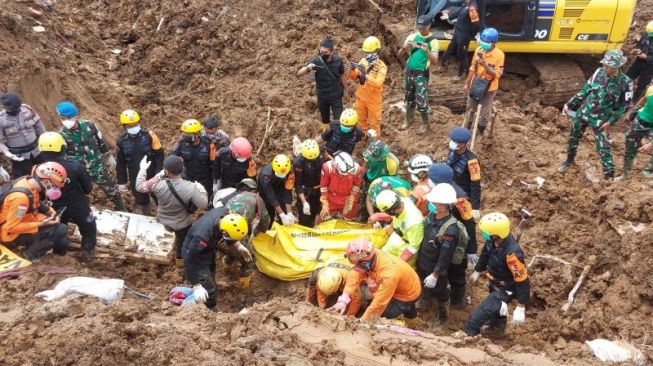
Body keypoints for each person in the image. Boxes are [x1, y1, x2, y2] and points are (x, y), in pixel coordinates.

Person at [559, 50, 633, 180]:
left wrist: (611, 121)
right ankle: (569, 161)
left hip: (601, 119)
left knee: (604, 148)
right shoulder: (598, 72)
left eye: (607, 65)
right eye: (604, 64)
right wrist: (569, 104)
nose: (604, 67)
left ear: (616, 67)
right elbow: (584, 91)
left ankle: (609, 177)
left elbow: (624, 106)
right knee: (573, 138)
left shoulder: (626, 83)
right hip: (584, 113)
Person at [463, 212, 530, 336]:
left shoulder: (512, 254)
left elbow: (522, 280)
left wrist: (521, 306)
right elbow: (485, 254)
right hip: (494, 281)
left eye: (487, 233)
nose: (484, 235)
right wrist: (478, 270)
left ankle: (467, 333)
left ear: (496, 234)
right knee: (497, 309)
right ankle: (496, 329)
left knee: (483, 311)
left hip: (506, 288)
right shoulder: (492, 241)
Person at [136, 155, 209, 268]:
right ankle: (180, 262)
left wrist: (143, 169)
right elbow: (203, 205)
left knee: (163, 239)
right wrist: (202, 190)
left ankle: (160, 259)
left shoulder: (157, 185)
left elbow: (139, 187)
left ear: (166, 171)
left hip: (163, 220)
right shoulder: (190, 187)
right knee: (183, 243)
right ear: (182, 169)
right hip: (182, 223)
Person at [331, 238, 421, 326]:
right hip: (408, 281)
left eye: (359, 263)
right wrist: (343, 299)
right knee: (408, 308)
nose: (357, 266)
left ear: (365, 261)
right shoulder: (370, 254)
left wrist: (363, 322)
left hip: (408, 294)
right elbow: (355, 275)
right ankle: (412, 324)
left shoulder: (389, 274)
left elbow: (379, 303)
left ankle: (397, 324)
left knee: (384, 313)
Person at [56, 101, 126, 211]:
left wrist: (108, 156)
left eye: (67, 118)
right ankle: (86, 213)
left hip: (98, 166)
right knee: (82, 194)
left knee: (112, 190)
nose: (65, 121)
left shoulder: (89, 125)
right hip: (80, 171)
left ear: (75, 116)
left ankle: (123, 210)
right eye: (62, 118)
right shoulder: (61, 135)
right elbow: (65, 157)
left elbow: (100, 141)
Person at [38, 132, 96, 262]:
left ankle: (60, 253)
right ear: (62, 148)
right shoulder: (75, 165)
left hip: (54, 207)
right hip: (78, 205)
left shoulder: (38, 169)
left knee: (58, 229)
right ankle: (88, 251)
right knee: (89, 227)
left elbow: (40, 194)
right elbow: (88, 189)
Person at [418, 183, 469, 330]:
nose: (430, 204)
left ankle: (443, 316)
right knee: (423, 281)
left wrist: (435, 274)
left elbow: (445, 256)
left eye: (434, 203)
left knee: (440, 291)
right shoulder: (431, 217)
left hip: (436, 267)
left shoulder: (450, 229)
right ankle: (425, 299)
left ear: (442, 206)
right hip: (424, 260)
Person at [428, 165, 479, 306]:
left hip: (456, 237)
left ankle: (458, 299)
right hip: (441, 232)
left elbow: (469, 224)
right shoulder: (439, 191)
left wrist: (471, 250)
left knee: (456, 269)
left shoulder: (460, 199)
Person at [182, 210, 251, 309]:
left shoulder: (224, 215)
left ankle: (208, 287)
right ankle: (211, 309)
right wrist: (196, 285)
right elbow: (189, 261)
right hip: (195, 258)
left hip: (207, 249)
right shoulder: (202, 236)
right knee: (210, 290)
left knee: (211, 272)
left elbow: (229, 235)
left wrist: (239, 246)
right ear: (224, 232)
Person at [0, 162, 68, 262]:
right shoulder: (21, 198)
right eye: (56, 186)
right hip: (8, 234)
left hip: (21, 218)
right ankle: (30, 253)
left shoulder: (27, 181)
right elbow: (12, 227)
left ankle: (59, 251)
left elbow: (34, 201)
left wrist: (50, 211)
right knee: (61, 229)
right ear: (46, 182)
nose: (57, 189)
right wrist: (41, 224)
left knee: (59, 230)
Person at [115, 109, 164, 215]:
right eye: (130, 125)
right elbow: (121, 164)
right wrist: (121, 182)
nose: (133, 127)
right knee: (142, 200)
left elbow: (159, 154)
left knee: (159, 197)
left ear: (139, 123)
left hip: (152, 173)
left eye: (135, 124)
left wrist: (159, 172)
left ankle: (164, 215)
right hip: (135, 176)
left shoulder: (150, 136)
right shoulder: (121, 142)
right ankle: (147, 216)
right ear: (124, 126)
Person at [223, 182, 271, 288]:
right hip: (238, 231)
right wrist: (262, 231)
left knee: (230, 249)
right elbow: (265, 219)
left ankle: (228, 267)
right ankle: (243, 286)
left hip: (222, 232)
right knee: (247, 259)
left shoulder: (233, 198)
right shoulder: (256, 198)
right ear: (253, 190)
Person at [397, 16, 440, 133]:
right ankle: (409, 119)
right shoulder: (412, 36)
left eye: (423, 27)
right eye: (419, 27)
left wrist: (427, 50)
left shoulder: (433, 41)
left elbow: (435, 61)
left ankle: (425, 123)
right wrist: (404, 47)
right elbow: (399, 54)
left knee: (421, 99)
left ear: (429, 25)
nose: (421, 30)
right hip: (409, 71)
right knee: (408, 97)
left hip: (421, 73)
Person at [298, 38, 350, 131]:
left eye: (325, 52)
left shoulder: (338, 61)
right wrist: (307, 69)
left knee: (339, 120)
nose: (322, 54)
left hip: (336, 96)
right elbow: (299, 73)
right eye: (320, 51)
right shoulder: (316, 61)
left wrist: (346, 90)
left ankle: (338, 137)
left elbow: (342, 75)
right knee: (325, 120)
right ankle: (327, 136)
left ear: (331, 51)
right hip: (322, 97)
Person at [463, 28, 504, 135]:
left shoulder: (499, 55)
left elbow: (497, 75)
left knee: (485, 113)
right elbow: (472, 68)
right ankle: (467, 130)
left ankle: (479, 133)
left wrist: (485, 66)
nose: (484, 44)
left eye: (487, 42)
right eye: (483, 41)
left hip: (489, 87)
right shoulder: (479, 50)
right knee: (470, 109)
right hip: (476, 84)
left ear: (494, 43)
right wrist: (467, 83)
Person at [372, 189, 424, 268]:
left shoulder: (415, 222)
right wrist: (378, 216)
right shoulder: (401, 201)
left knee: (402, 271)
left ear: (392, 211)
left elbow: (413, 247)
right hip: (396, 237)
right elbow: (394, 215)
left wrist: (399, 264)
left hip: (406, 247)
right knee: (382, 259)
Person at [348, 36, 387, 137]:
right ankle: (362, 139)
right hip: (361, 97)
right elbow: (354, 77)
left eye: (369, 52)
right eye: (366, 52)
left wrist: (366, 76)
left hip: (373, 100)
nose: (367, 55)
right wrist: (352, 70)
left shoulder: (381, 67)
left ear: (376, 51)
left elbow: (378, 83)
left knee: (374, 125)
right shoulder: (363, 61)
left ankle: (375, 145)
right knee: (361, 122)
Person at [0, 93, 45, 177]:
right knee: (23, 179)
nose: (17, 110)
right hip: (19, 156)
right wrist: (7, 153)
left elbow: (38, 124)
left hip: (37, 150)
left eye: (18, 107)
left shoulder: (26, 109)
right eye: (13, 109)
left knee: (45, 173)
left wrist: (46, 137)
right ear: (4, 107)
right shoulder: (2, 120)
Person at [172, 119, 217, 199]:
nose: (185, 135)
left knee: (206, 199)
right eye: (184, 133)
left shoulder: (208, 144)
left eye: (188, 134)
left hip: (205, 179)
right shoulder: (181, 143)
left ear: (197, 133)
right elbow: (172, 158)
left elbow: (214, 164)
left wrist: (215, 180)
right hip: (189, 178)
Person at [319, 151, 364, 222]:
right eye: (347, 174)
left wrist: (351, 198)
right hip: (331, 197)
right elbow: (323, 186)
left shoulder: (357, 169)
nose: (350, 176)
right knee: (324, 218)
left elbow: (356, 185)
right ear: (339, 170)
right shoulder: (327, 168)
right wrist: (324, 202)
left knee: (350, 219)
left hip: (347, 197)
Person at [446, 127, 481, 221]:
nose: (451, 142)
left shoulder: (472, 161)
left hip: (463, 196)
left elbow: (475, 184)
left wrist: (475, 207)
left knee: (465, 220)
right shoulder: (452, 151)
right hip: (450, 188)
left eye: (454, 141)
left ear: (462, 144)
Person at [439, 0, 479, 80]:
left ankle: (461, 75)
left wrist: (472, 35)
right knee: (450, 48)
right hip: (458, 31)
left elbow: (475, 24)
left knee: (462, 54)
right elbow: (459, 13)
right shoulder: (465, 3)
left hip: (464, 34)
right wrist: (449, 16)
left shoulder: (472, 8)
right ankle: (443, 66)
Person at [619, 86, 653, 180]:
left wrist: (651, 145)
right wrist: (631, 112)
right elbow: (643, 99)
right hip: (641, 120)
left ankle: (648, 172)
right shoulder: (651, 89)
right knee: (630, 147)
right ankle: (625, 175)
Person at [258, 154, 297, 227]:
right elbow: (271, 196)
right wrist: (281, 215)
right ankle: (268, 229)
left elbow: (288, 191)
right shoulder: (266, 175)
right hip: (266, 192)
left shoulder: (290, 171)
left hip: (280, 188)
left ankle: (284, 229)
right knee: (269, 214)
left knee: (285, 211)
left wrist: (289, 213)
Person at [294, 139, 324, 227]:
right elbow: (298, 184)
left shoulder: (320, 151)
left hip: (320, 188)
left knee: (319, 212)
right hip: (307, 190)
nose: (314, 159)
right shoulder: (299, 163)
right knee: (305, 218)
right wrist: (304, 202)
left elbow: (327, 159)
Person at [626, 21, 653, 102]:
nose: (649, 35)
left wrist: (647, 57)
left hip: (650, 66)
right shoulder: (647, 33)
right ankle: (622, 96)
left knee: (641, 85)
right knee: (628, 78)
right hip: (639, 61)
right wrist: (637, 50)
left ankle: (633, 102)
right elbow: (640, 43)